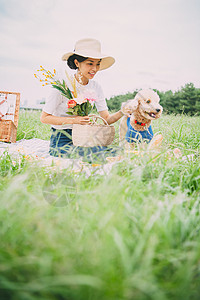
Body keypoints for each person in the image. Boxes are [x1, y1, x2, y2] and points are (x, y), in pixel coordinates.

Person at [40, 38, 123, 160]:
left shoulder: (96, 87)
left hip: (85, 137)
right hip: (61, 140)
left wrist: (123, 111)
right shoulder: (62, 86)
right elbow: (44, 118)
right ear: (77, 63)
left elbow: (106, 119)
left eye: (98, 64)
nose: (94, 69)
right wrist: (75, 120)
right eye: (90, 63)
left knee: (117, 151)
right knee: (94, 154)